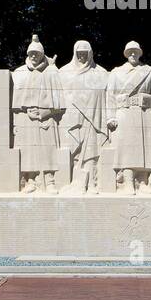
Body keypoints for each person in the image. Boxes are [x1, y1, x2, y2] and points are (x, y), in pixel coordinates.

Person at [106, 40, 151, 194]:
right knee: (126, 149)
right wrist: (110, 117)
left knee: (145, 148)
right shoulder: (116, 72)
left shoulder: (150, 71)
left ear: (139, 53)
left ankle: (143, 181)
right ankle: (128, 181)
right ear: (126, 54)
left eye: (135, 52)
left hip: (144, 113)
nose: (133, 54)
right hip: (124, 112)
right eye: (130, 51)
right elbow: (110, 96)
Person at [11, 35, 63, 193]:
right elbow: (15, 104)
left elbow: (59, 103)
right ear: (27, 54)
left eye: (37, 53)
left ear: (42, 54)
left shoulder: (51, 72)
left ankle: (50, 180)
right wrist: (19, 118)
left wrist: (43, 113)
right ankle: (30, 180)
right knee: (27, 150)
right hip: (26, 117)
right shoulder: (19, 72)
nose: (34, 56)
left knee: (48, 149)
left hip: (46, 116)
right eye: (31, 53)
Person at [59, 40, 109, 194]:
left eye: (84, 53)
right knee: (75, 151)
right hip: (73, 120)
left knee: (92, 152)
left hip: (93, 120)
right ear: (74, 54)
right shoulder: (64, 72)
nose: (81, 57)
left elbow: (106, 96)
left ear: (90, 54)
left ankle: (92, 183)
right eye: (79, 53)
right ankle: (76, 182)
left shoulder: (101, 73)